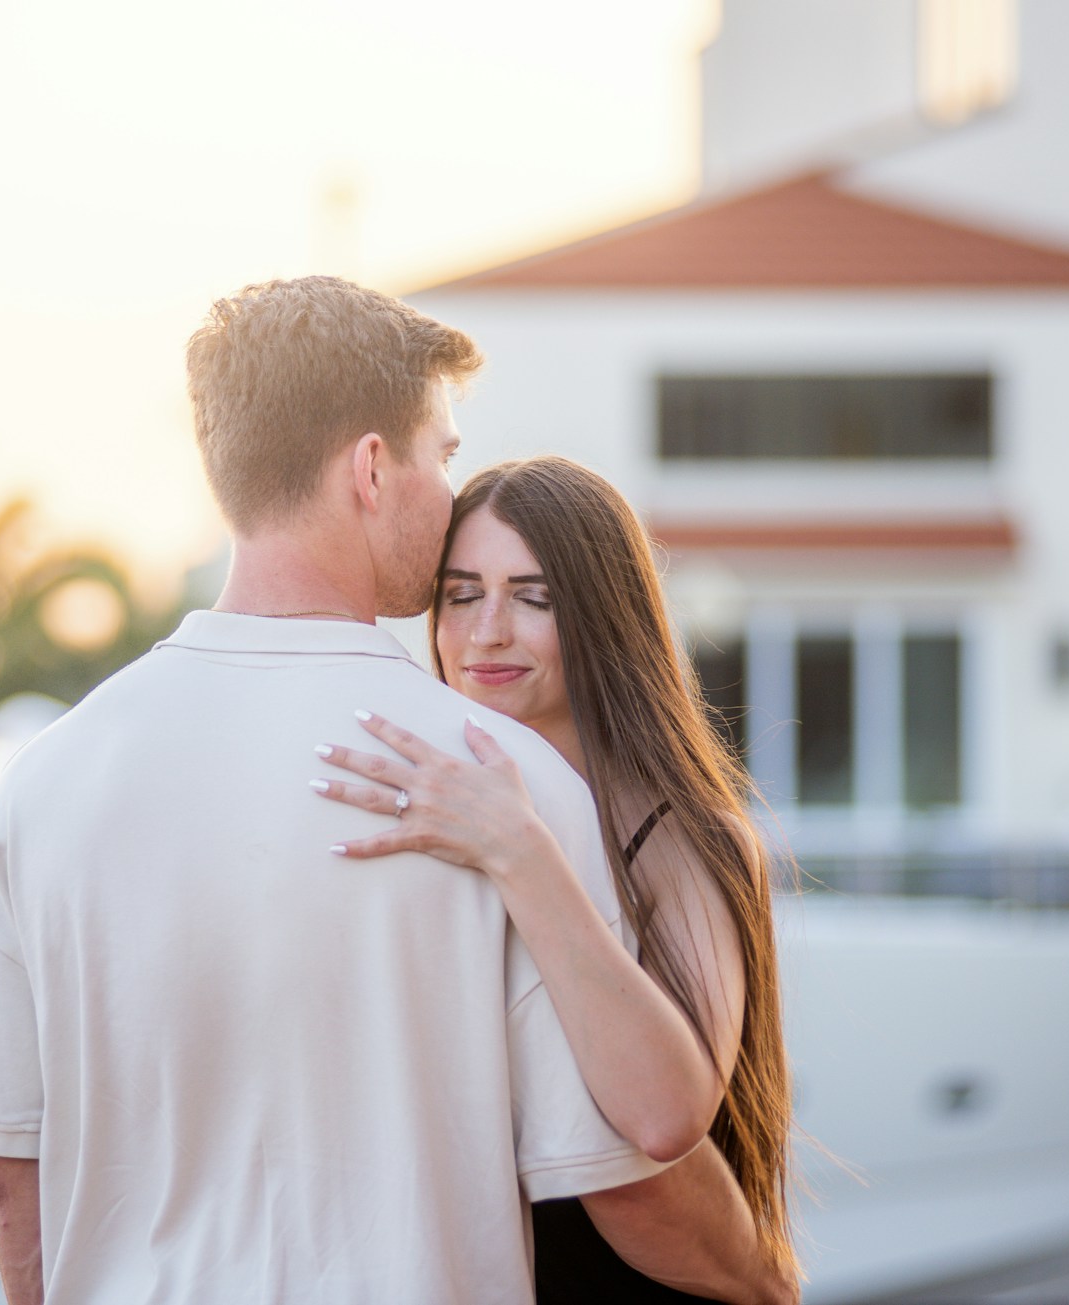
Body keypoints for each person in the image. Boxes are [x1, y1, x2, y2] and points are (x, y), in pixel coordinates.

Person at [0, 277, 782, 1305]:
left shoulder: (39, 784)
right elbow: (630, 1173)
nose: (449, 496)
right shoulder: (502, 781)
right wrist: (764, 1278)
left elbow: (9, 1179)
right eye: (444, 454)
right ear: (372, 467)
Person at [314, 455, 800, 1304]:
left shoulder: (690, 839)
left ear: (607, 619)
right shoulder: (418, 808)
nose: (487, 631)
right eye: (461, 594)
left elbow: (660, 1118)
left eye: (534, 597)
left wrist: (521, 852)